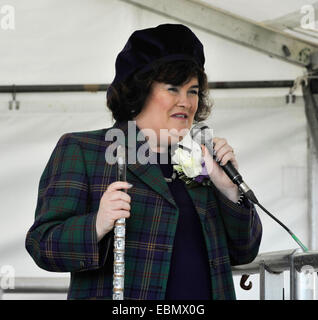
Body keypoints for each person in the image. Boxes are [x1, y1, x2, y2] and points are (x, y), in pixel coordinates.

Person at [25, 24, 262, 300]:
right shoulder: (83, 150)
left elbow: (245, 251)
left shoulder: (204, 159)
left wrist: (228, 188)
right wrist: (97, 224)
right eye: (173, 88)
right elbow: (42, 245)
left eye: (193, 91)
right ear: (140, 89)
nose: (185, 101)